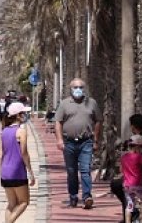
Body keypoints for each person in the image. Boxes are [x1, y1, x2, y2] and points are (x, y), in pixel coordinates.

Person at [53, 78, 101, 209]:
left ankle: (87, 197)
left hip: (86, 142)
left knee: (86, 170)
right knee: (71, 171)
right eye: (75, 87)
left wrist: (96, 140)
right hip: (69, 143)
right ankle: (73, 196)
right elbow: (58, 122)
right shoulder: (64, 104)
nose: (78, 89)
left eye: (80, 87)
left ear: (84, 89)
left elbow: (98, 121)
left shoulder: (91, 103)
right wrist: (59, 140)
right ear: (71, 89)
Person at [0, 102, 36, 223]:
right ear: (18, 115)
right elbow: (24, 153)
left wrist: (0, 172)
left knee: (11, 204)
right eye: (23, 113)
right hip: (17, 171)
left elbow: (0, 154)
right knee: (24, 202)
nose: (25, 115)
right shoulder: (21, 131)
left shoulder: (3, 132)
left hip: (5, 172)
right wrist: (30, 172)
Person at [112, 113, 142, 208]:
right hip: (137, 173)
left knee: (117, 186)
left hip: (140, 175)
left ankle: (130, 214)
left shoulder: (138, 138)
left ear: (132, 126)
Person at [120, 134, 142, 223]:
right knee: (141, 203)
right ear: (136, 147)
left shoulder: (124, 157)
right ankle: (141, 220)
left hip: (127, 185)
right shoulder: (138, 157)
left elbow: (121, 169)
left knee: (129, 206)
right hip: (137, 185)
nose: (141, 150)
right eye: (141, 148)